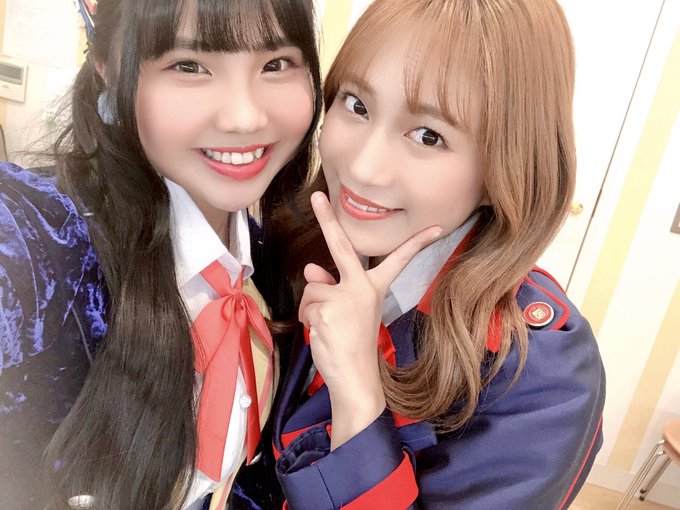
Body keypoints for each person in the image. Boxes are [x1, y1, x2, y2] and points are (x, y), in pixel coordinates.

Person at [269, 0, 606, 508]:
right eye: (357, 104)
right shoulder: (298, 242)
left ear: (505, 170)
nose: (362, 168)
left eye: (428, 136)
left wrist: (358, 395)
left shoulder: (540, 374)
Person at [0, 0, 321, 508]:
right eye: (189, 65)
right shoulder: (42, 239)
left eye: (276, 63)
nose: (245, 117)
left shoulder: (277, 264)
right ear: (108, 68)